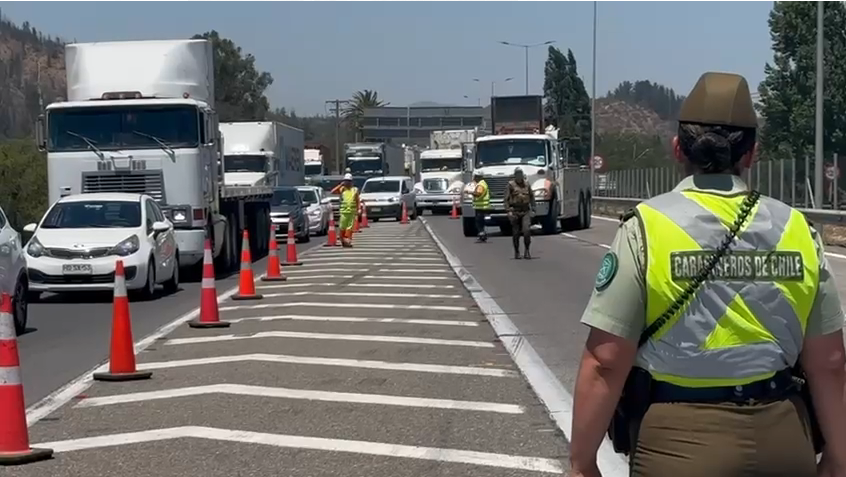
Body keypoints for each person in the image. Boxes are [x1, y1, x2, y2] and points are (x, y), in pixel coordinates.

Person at [570, 71, 846, 477]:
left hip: (679, 444)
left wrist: (582, 463)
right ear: (751, 154)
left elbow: (606, 360)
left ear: (677, 148)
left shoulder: (645, 227)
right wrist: (838, 456)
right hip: (785, 437)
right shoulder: (799, 230)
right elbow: (831, 362)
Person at [504, 167, 536, 259]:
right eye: (517, 174)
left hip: (525, 210)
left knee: (527, 231)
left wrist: (533, 209)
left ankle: (527, 250)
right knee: (516, 233)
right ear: (515, 175)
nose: (519, 176)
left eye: (520, 174)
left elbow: (532, 197)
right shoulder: (510, 185)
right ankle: (517, 251)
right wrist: (508, 211)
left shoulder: (527, 184)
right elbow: (506, 200)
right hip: (515, 211)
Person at [331, 173, 359, 247]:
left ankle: (348, 240)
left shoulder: (355, 190)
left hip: (352, 212)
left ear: (351, 182)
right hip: (344, 212)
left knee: (349, 228)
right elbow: (333, 191)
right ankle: (342, 239)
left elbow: (357, 200)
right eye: (346, 181)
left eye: (349, 181)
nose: (347, 182)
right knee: (342, 227)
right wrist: (340, 185)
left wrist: (358, 209)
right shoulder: (342, 189)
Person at [470, 171, 489, 242]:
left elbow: (478, 193)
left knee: (479, 222)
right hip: (481, 206)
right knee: (480, 221)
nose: (474, 178)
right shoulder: (481, 183)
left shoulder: (481, 185)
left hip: (481, 206)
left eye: (475, 177)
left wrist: (470, 192)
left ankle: (482, 235)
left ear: (478, 177)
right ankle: (482, 235)